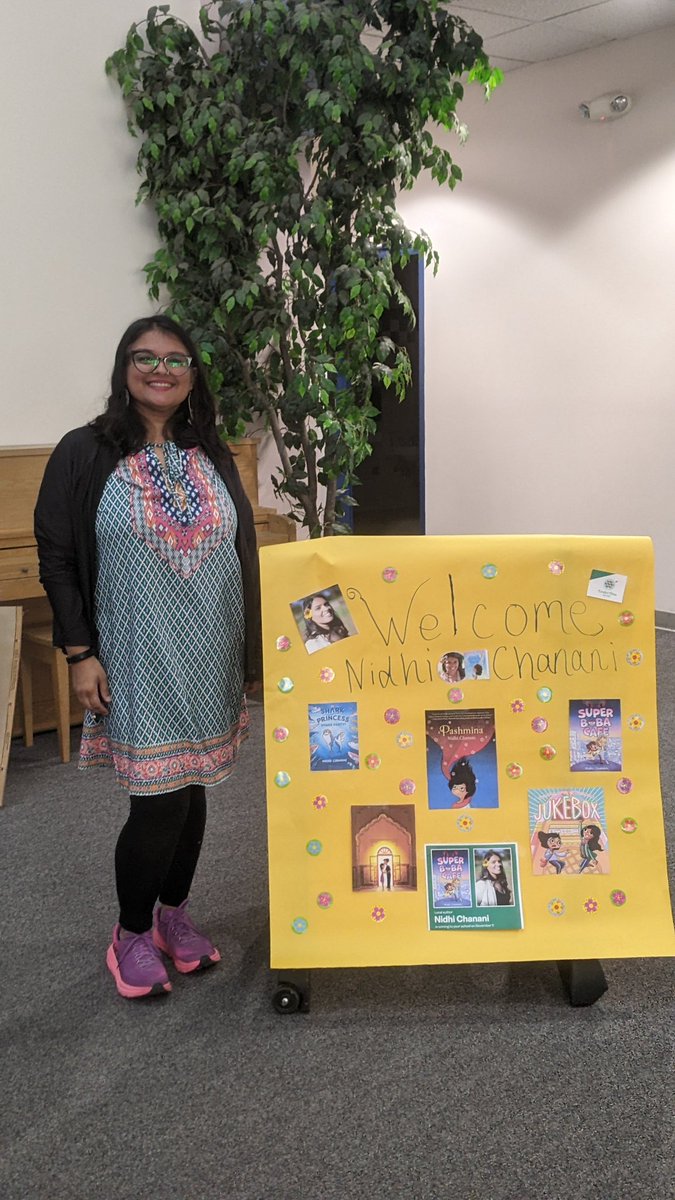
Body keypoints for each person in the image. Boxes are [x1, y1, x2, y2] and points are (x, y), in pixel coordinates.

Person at [34, 315, 261, 1001]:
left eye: (175, 359)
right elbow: (59, 556)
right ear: (123, 368)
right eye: (144, 357)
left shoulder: (212, 453)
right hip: (136, 656)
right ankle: (130, 933)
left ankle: (173, 917)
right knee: (156, 801)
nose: (159, 369)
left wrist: (253, 652)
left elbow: (242, 553)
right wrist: (80, 652)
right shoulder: (85, 451)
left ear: (193, 373)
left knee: (192, 795)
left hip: (209, 655)